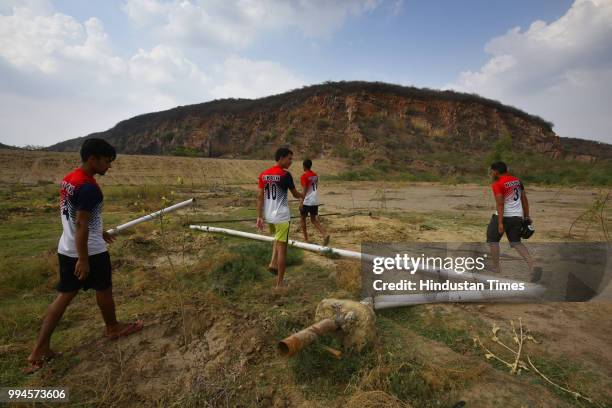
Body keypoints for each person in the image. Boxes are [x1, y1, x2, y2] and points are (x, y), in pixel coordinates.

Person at [24, 138, 143, 374]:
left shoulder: (71, 179)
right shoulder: (89, 187)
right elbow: (80, 223)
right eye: (107, 161)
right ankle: (113, 328)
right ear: (93, 159)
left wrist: (99, 232)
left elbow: (76, 217)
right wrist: (85, 258)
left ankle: (40, 349)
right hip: (89, 251)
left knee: (64, 296)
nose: (109, 166)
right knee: (104, 289)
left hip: (66, 248)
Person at [487, 161, 542, 282]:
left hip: (503, 216)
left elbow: (500, 203)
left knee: (492, 240)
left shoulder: (497, 184)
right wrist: (526, 216)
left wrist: (500, 222)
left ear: (496, 172)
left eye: (491, 171)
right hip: (517, 217)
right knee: (516, 242)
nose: (491, 173)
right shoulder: (517, 181)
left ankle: (496, 267)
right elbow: (524, 199)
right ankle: (533, 265)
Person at [256, 147, 303, 289]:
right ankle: (280, 284)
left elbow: (259, 197)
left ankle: (272, 263)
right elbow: (295, 194)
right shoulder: (285, 175)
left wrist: (259, 217)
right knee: (283, 249)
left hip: (270, 216)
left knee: (277, 237)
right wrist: (303, 196)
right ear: (281, 158)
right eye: (289, 158)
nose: (291, 162)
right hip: (282, 216)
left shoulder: (263, 175)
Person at [299, 159, 330, 245]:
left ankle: (306, 239)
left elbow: (304, 190)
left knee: (302, 219)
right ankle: (325, 234)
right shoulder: (315, 176)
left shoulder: (304, 176)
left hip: (307, 201)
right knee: (314, 220)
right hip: (315, 200)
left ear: (304, 166)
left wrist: (301, 202)